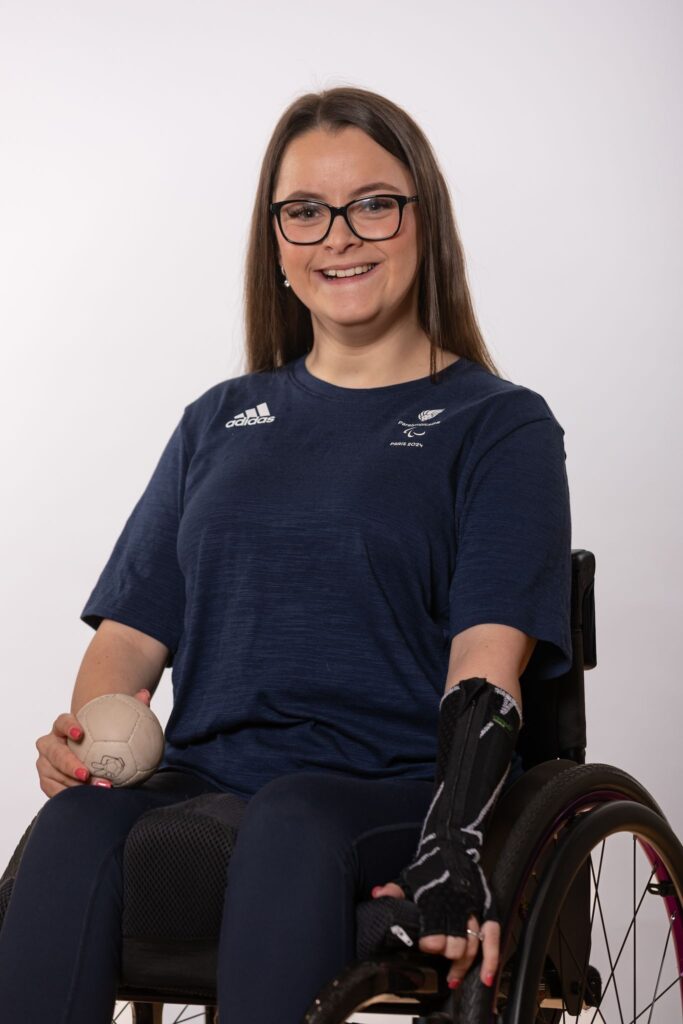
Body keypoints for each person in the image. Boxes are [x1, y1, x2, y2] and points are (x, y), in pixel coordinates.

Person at [0, 85, 572, 1023]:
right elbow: (130, 641)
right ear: (276, 245)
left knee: (293, 824)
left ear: (424, 223)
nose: (337, 235)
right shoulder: (216, 422)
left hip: (384, 785)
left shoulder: (498, 425)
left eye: (373, 204)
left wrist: (457, 845)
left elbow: (487, 659)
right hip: (204, 780)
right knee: (72, 832)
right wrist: (85, 739)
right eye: (304, 211)